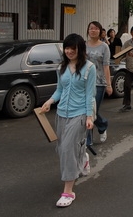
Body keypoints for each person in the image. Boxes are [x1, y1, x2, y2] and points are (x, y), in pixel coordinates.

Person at [40, 33, 95, 207]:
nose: (69, 51)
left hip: (79, 114)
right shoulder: (61, 68)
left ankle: (68, 191)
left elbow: (89, 94)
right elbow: (59, 90)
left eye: (73, 48)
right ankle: (83, 158)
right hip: (61, 113)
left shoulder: (89, 68)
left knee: (66, 150)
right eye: (67, 48)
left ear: (80, 49)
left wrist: (89, 116)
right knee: (62, 148)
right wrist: (49, 102)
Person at [86, 21, 112, 145]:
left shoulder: (104, 47)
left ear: (100, 31)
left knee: (92, 111)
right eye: (91, 28)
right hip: (85, 83)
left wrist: (109, 84)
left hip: (99, 83)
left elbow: (106, 66)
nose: (93, 30)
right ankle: (88, 140)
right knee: (87, 111)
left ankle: (102, 126)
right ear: (88, 30)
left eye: (96, 29)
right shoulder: (83, 46)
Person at [119, 26, 133, 112]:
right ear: (131, 33)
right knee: (127, 85)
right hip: (129, 68)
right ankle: (127, 104)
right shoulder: (127, 43)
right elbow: (122, 54)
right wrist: (121, 57)